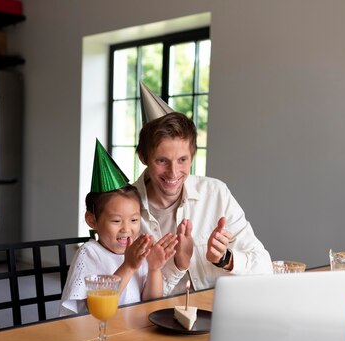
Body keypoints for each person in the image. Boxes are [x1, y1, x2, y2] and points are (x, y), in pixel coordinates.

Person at [134, 82, 272, 296]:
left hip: (215, 316)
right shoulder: (124, 209)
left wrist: (224, 258)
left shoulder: (215, 193)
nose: (173, 172)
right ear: (144, 157)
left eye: (182, 160)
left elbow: (264, 266)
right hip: (155, 321)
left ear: (192, 157)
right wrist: (177, 265)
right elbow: (126, 294)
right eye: (162, 160)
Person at [60, 140, 177, 316]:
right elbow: (94, 310)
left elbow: (152, 303)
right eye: (116, 221)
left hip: (129, 332)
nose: (126, 229)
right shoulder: (89, 253)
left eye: (134, 220)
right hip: (94, 334)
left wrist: (154, 269)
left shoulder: (139, 251)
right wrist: (129, 266)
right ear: (92, 221)